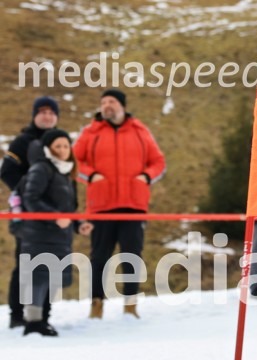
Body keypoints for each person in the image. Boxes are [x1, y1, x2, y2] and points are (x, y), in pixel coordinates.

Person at [74, 89, 166, 318]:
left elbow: (159, 162)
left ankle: (130, 306)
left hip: (133, 205)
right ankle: (96, 305)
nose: (107, 105)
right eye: (103, 102)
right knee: (99, 257)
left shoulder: (140, 131)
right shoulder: (90, 132)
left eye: (112, 101)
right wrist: (91, 175)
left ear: (122, 105)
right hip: (100, 206)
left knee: (132, 255)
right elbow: (73, 161)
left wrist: (146, 177)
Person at [18, 130, 93, 336]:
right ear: (48, 149)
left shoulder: (67, 174)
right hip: (39, 235)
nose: (62, 150)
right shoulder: (41, 169)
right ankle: (33, 322)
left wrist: (78, 225)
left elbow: (69, 209)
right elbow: (31, 198)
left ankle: (44, 320)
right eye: (57, 146)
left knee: (51, 277)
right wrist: (54, 217)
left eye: (66, 146)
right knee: (38, 277)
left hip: (59, 237)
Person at [1, 96, 59, 329]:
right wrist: (30, 191)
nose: (47, 116)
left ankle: (43, 314)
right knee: (24, 262)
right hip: (27, 212)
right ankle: (17, 315)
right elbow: (7, 171)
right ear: (35, 115)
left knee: (50, 263)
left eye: (51, 112)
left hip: (53, 212)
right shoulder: (23, 141)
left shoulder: (59, 141)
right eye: (42, 112)